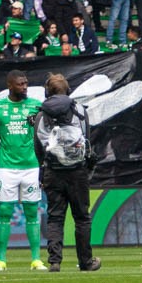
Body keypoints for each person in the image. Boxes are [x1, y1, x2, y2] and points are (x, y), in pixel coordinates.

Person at [34, 74, 101, 272]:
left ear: (48, 92)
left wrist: (43, 167)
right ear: (68, 90)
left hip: (53, 170)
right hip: (77, 170)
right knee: (81, 217)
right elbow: (87, 138)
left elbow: (38, 145)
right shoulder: (79, 110)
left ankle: (54, 261)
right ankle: (86, 262)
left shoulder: (41, 114)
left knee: (55, 217)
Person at [0, 72, 47, 272]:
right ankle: (1, 259)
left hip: (30, 167)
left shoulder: (36, 105)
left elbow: (46, 130)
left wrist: (37, 120)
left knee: (32, 213)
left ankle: (36, 259)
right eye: (21, 84)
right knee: (4, 213)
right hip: (7, 168)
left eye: (26, 83)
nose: (25, 87)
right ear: (10, 85)